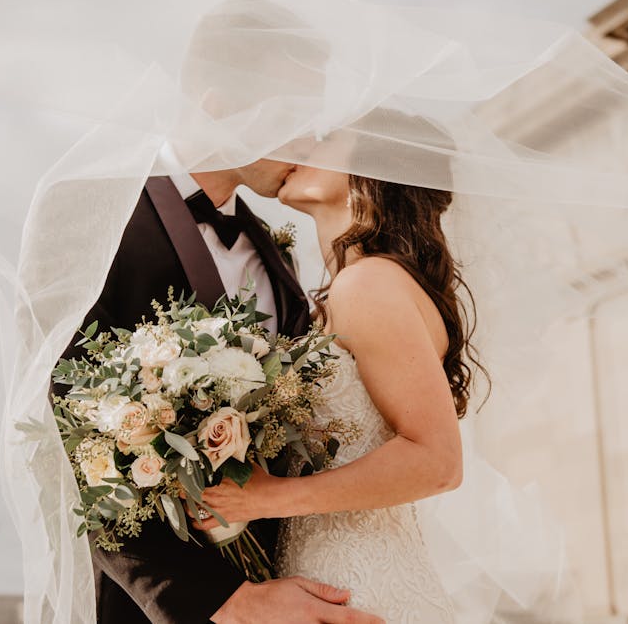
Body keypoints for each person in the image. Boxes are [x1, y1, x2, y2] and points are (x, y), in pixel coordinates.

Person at [59, 154, 383, 624]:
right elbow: (69, 436)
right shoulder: (95, 213)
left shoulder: (276, 254)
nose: (309, 145)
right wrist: (225, 601)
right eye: (297, 116)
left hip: (293, 587)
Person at [191, 119, 477, 622]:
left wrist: (268, 498)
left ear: (373, 170)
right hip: (327, 576)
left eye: (324, 138)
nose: (298, 143)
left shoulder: (368, 285)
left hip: (360, 584)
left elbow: (438, 461)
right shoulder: (351, 288)